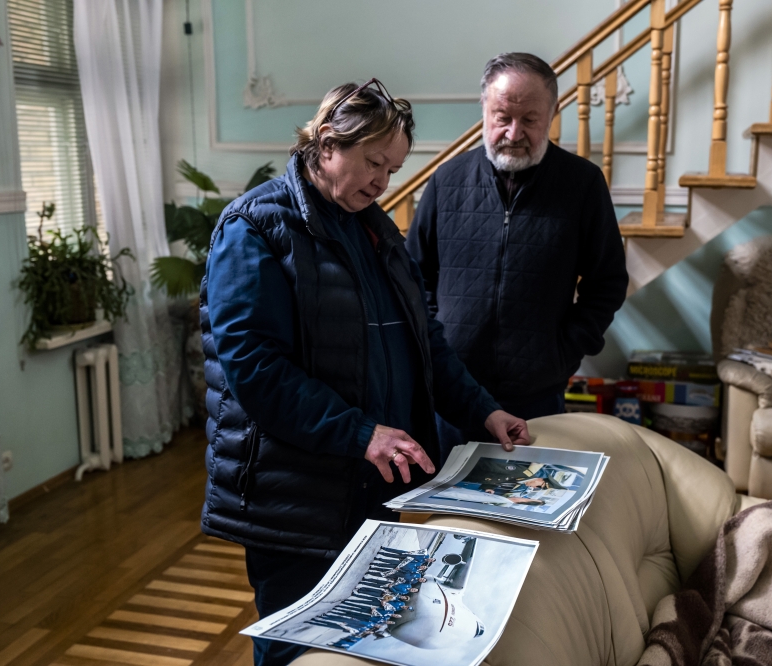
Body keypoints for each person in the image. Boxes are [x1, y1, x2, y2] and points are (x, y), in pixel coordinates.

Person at [200, 78, 531, 665]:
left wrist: (484, 410)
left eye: (393, 169)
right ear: (328, 142)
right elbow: (255, 370)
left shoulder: (377, 229)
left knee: (364, 647)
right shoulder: (252, 225)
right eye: (374, 162)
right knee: (296, 651)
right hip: (297, 497)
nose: (383, 181)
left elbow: (425, 344)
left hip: (375, 484)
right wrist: (361, 433)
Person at [407, 53, 628, 455]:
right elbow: (412, 277)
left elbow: (607, 282)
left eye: (529, 119)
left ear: (552, 114)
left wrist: (563, 352)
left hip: (537, 397)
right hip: (451, 392)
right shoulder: (446, 181)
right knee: (443, 494)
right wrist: (436, 340)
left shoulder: (583, 185)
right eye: (502, 117)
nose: (513, 132)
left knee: (526, 495)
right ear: (484, 110)